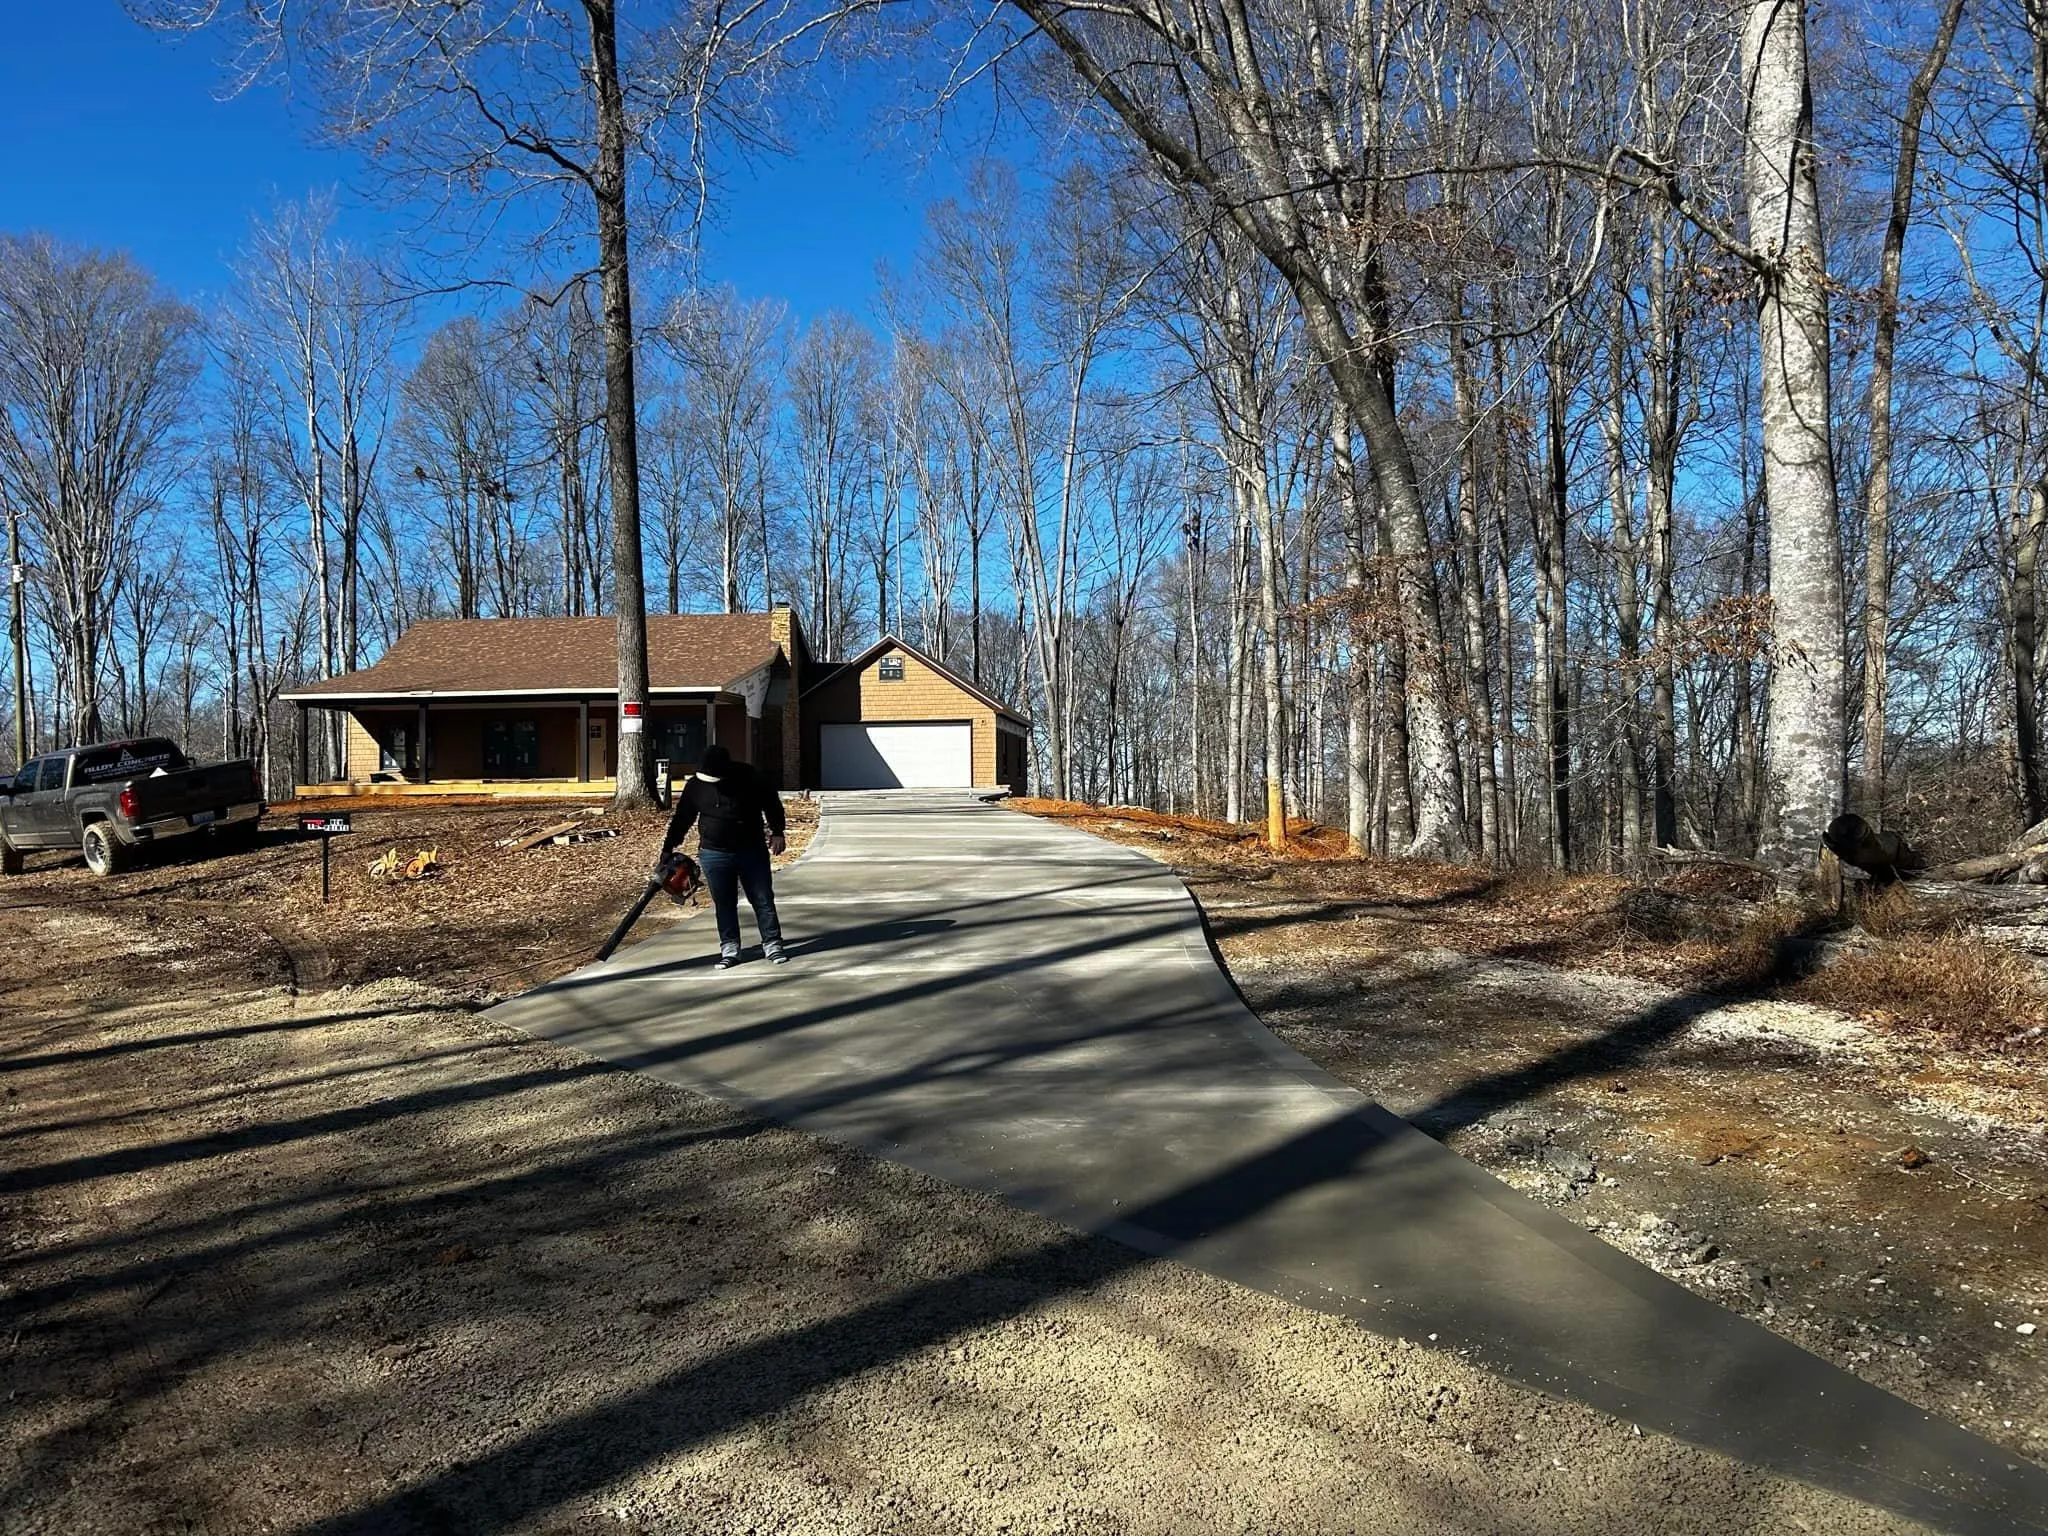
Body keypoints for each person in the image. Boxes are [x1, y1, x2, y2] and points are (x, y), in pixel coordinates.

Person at [660, 743, 789, 968]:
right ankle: (730, 947)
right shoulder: (696, 785)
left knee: (762, 899)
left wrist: (777, 831)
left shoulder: (751, 778)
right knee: (724, 903)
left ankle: (772, 943)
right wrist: (668, 847)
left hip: (752, 849)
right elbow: (683, 818)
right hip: (713, 853)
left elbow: (772, 804)